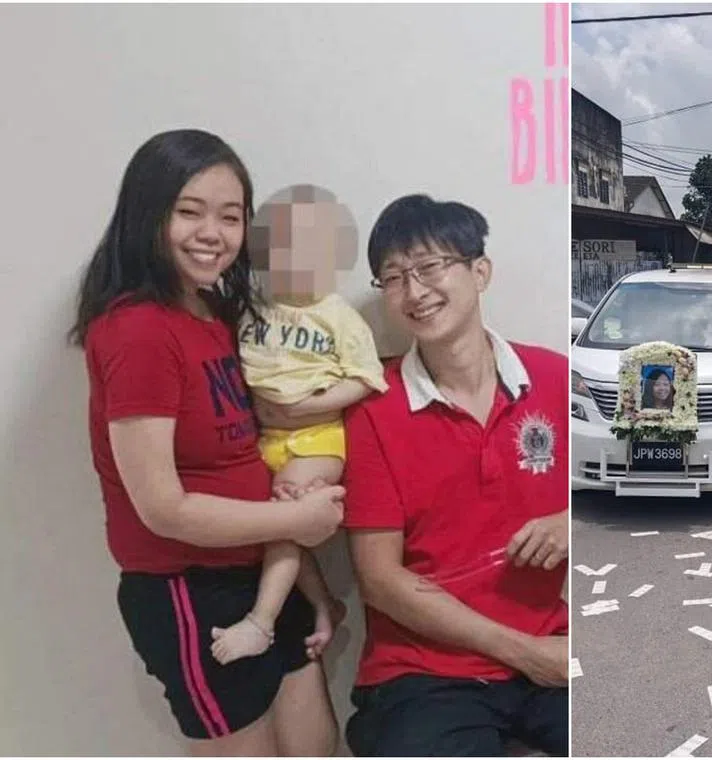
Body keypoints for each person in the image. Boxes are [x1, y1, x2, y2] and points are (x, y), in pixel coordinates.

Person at [72, 129, 345, 756]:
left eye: (230, 216)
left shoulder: (216, 316)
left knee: (316, 747)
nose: (212, 233)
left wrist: (314, 589)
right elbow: (162, 508)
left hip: (263, 578)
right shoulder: (137, 331)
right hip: (188, 589)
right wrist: (298, 517)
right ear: (148, 213)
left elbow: (246, 460)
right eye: (188, 211)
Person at [339, 194, 569, 757]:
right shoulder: (373, 409)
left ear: (479, 271)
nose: (414, 291)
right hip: (424, 672)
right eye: (393, 277)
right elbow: (381, 579)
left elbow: (620, 492)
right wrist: (522, 652)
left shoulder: (554, 377)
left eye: (430, 266)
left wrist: (572, 520)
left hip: (554, 645)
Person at [209, 184, 389, 665]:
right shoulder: (254, 307)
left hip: (318, 441)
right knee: (275, 525)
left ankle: (261, 623)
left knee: (281, 520)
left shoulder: (339, 316)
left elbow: (367, 379)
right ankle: (324, 604)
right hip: (262, 439)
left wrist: (310, 407)